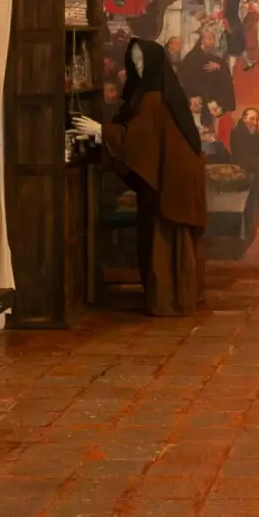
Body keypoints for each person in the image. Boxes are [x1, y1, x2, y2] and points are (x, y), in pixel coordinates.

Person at [73, 39, 209, 318]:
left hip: (172, 176)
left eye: (142, 60)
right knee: (168, 237)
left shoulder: (153, 98)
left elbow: (138, 139)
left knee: (164, 237)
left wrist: (100, 131)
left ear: (154, 64)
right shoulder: (154, 93)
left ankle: (170, 300)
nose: (137, 66)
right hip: (174, 172)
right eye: (133, 60)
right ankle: (179, 295)